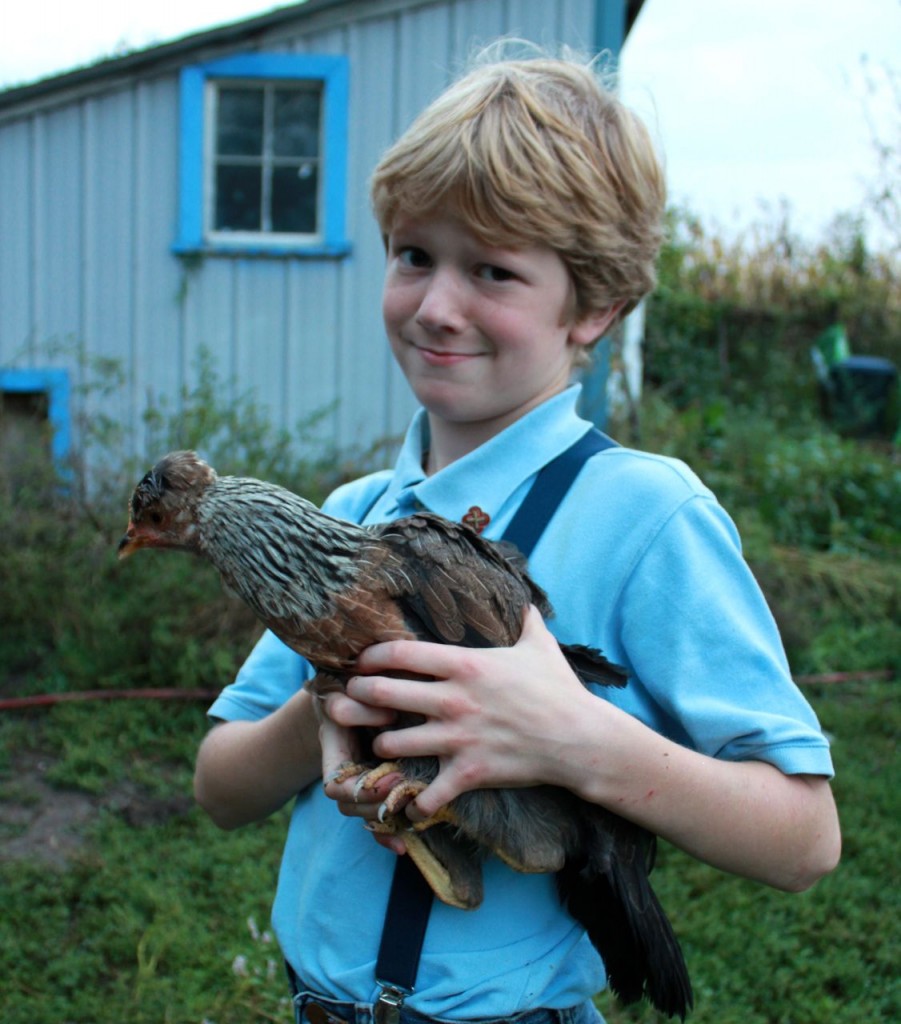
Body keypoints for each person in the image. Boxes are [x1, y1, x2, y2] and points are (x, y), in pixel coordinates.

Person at [193, 45, 841, 1024]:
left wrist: (572, 738)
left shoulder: (647, 517)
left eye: (492, 270)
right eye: (414, 255)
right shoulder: (352, 511)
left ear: (596, 307)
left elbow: (802, 839)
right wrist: (328, 702)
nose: (438, 305)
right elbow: (220, 786)